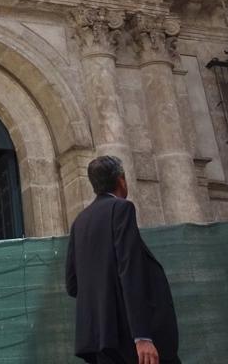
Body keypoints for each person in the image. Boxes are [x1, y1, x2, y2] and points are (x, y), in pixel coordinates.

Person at [65, 155, 180, 364]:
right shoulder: (122, 209)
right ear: (121, 180)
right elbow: (130, 270)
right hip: (131, 340)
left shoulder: (79, 222)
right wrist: (142, 336)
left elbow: (72, 285)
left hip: (99, 342)